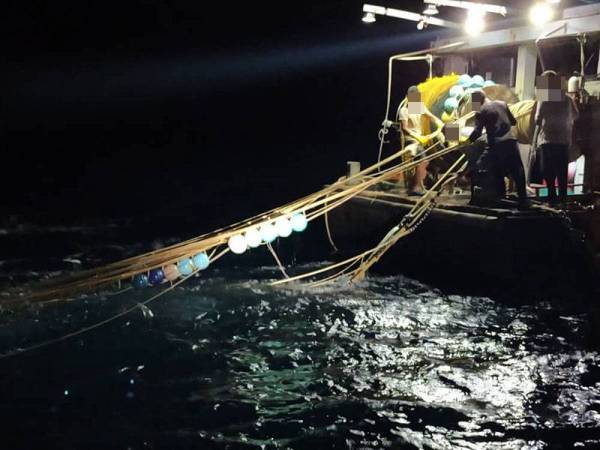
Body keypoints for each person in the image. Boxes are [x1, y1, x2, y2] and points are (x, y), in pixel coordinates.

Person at [468, 89, 529, 208]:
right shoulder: (502, 103)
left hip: (496, 144)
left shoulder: (480, 111)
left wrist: (468, 141)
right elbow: (513, 122)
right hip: (511, 141)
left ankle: (501, 199)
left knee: (497, 172)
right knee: (517, 171)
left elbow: (477, 132)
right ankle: (524, 200)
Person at [533, 70, 579, 206]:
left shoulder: (544, 98)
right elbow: (576, 116)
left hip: (548, 141)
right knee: (562, 173)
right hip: (563, 141)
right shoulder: (567, 99)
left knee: (549, 173)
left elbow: (537, 119)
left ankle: (552, 202)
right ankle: (563, 202)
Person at [397, 86, 445, 195]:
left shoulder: (418, 107)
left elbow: (430, 116)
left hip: (420, 139)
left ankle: (420, 183)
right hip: (411, 139)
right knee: (424, 159)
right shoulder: (404, 110)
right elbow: (404, 128)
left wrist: (439, 123)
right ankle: (416, 187)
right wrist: (416, 136)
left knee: (429, 160)